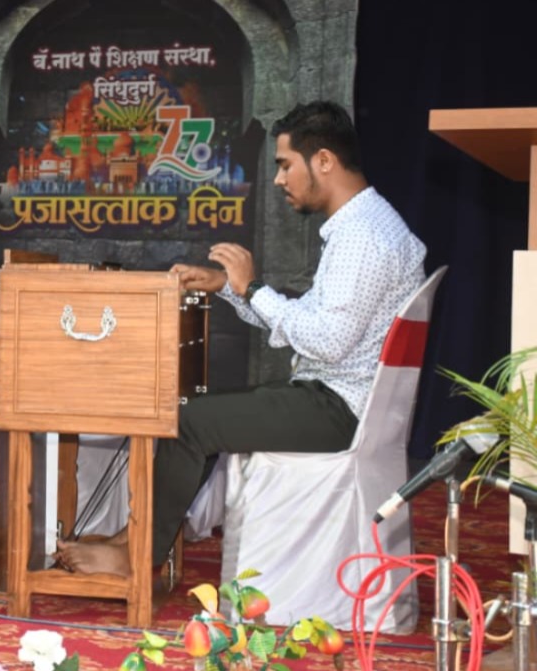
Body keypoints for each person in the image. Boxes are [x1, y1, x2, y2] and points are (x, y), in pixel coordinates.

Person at [54, 101, 428, 575]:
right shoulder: (368, 224)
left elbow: (326, 342)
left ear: (324, 161)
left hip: (339, 408)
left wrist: (252, 287)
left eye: (285, 165)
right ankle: (135, 535)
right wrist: (228, 288)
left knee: (190, 421)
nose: (278, 179)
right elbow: (309, 321)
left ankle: (138, 555)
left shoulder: (362, 236)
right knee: (200, 410)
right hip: (340, 398)